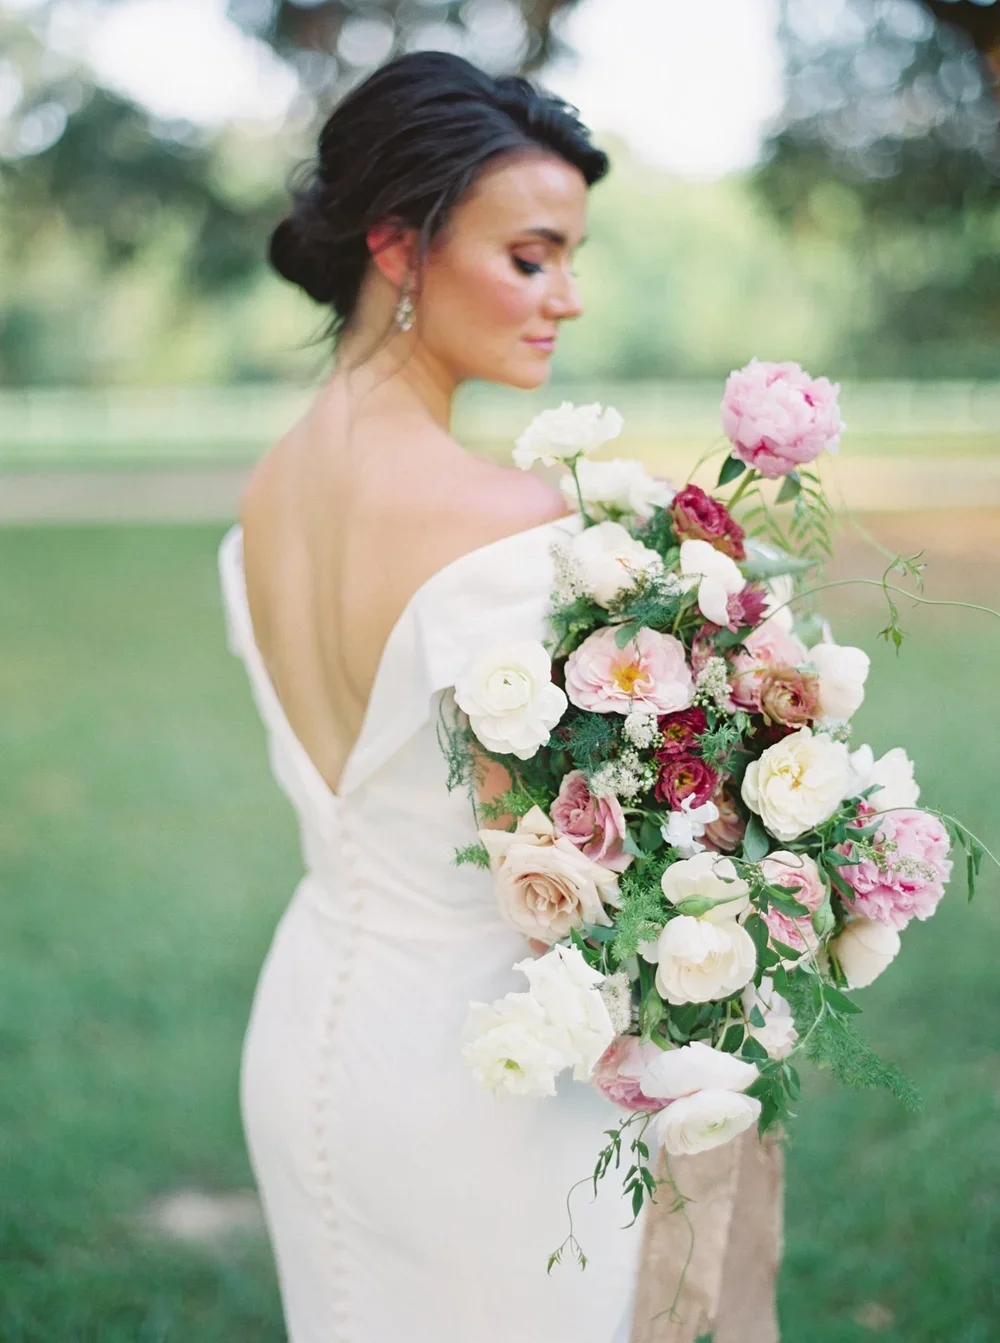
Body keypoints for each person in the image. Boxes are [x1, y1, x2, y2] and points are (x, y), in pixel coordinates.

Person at [218, 50, 782, 1343]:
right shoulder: (506, 518)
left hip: (313, 1016)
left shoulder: (266, 491)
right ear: (400, 249)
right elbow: (554, 887)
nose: (566, 298)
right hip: (491, 1075)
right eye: (532, 256)